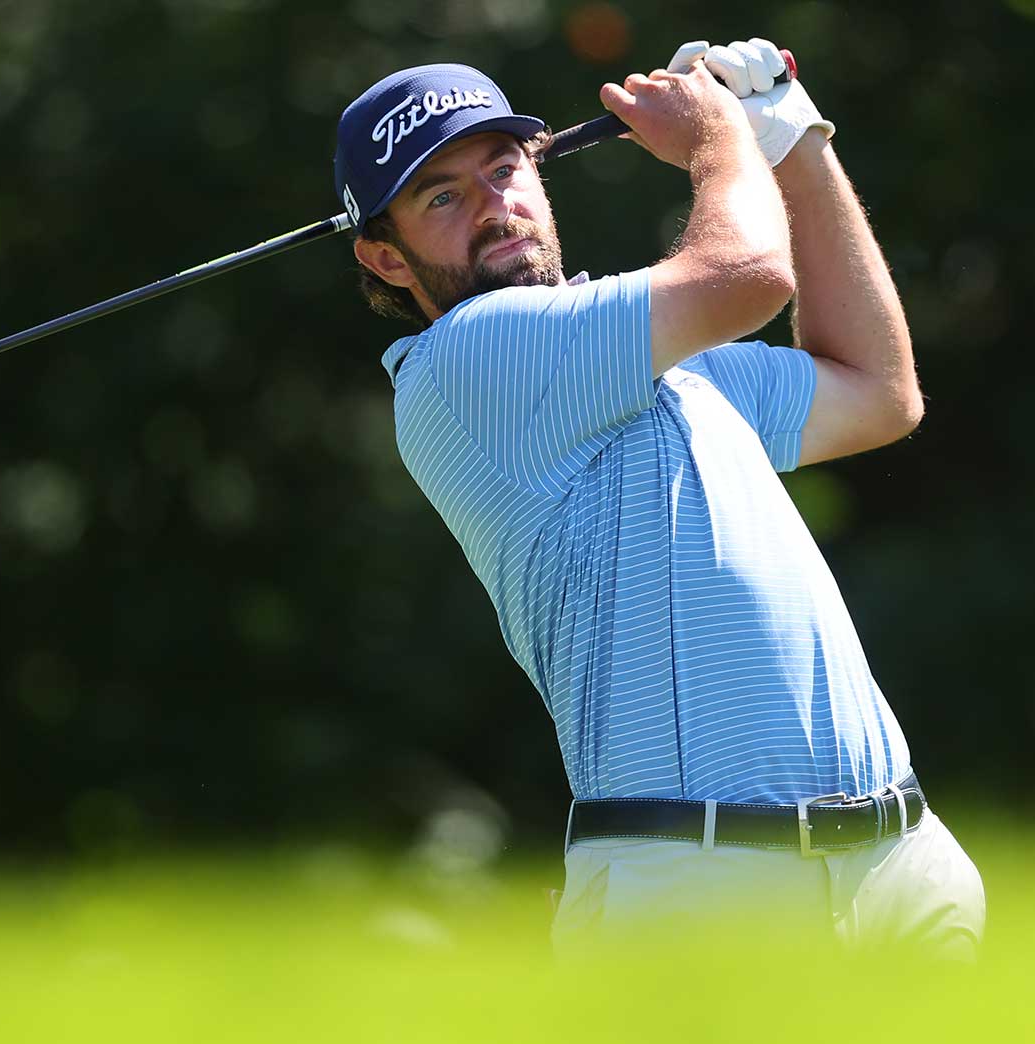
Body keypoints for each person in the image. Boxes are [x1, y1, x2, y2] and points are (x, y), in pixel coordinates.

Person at [334, 40, 985, 958]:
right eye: (442, 196)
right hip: (699, 883)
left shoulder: (662, 359)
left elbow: (879, 391)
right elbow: (748, 276)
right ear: (386, 259)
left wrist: (794, 139)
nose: (494, 205)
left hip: (897, 864)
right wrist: (723, 138)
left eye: (505, 167)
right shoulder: (466, 364)